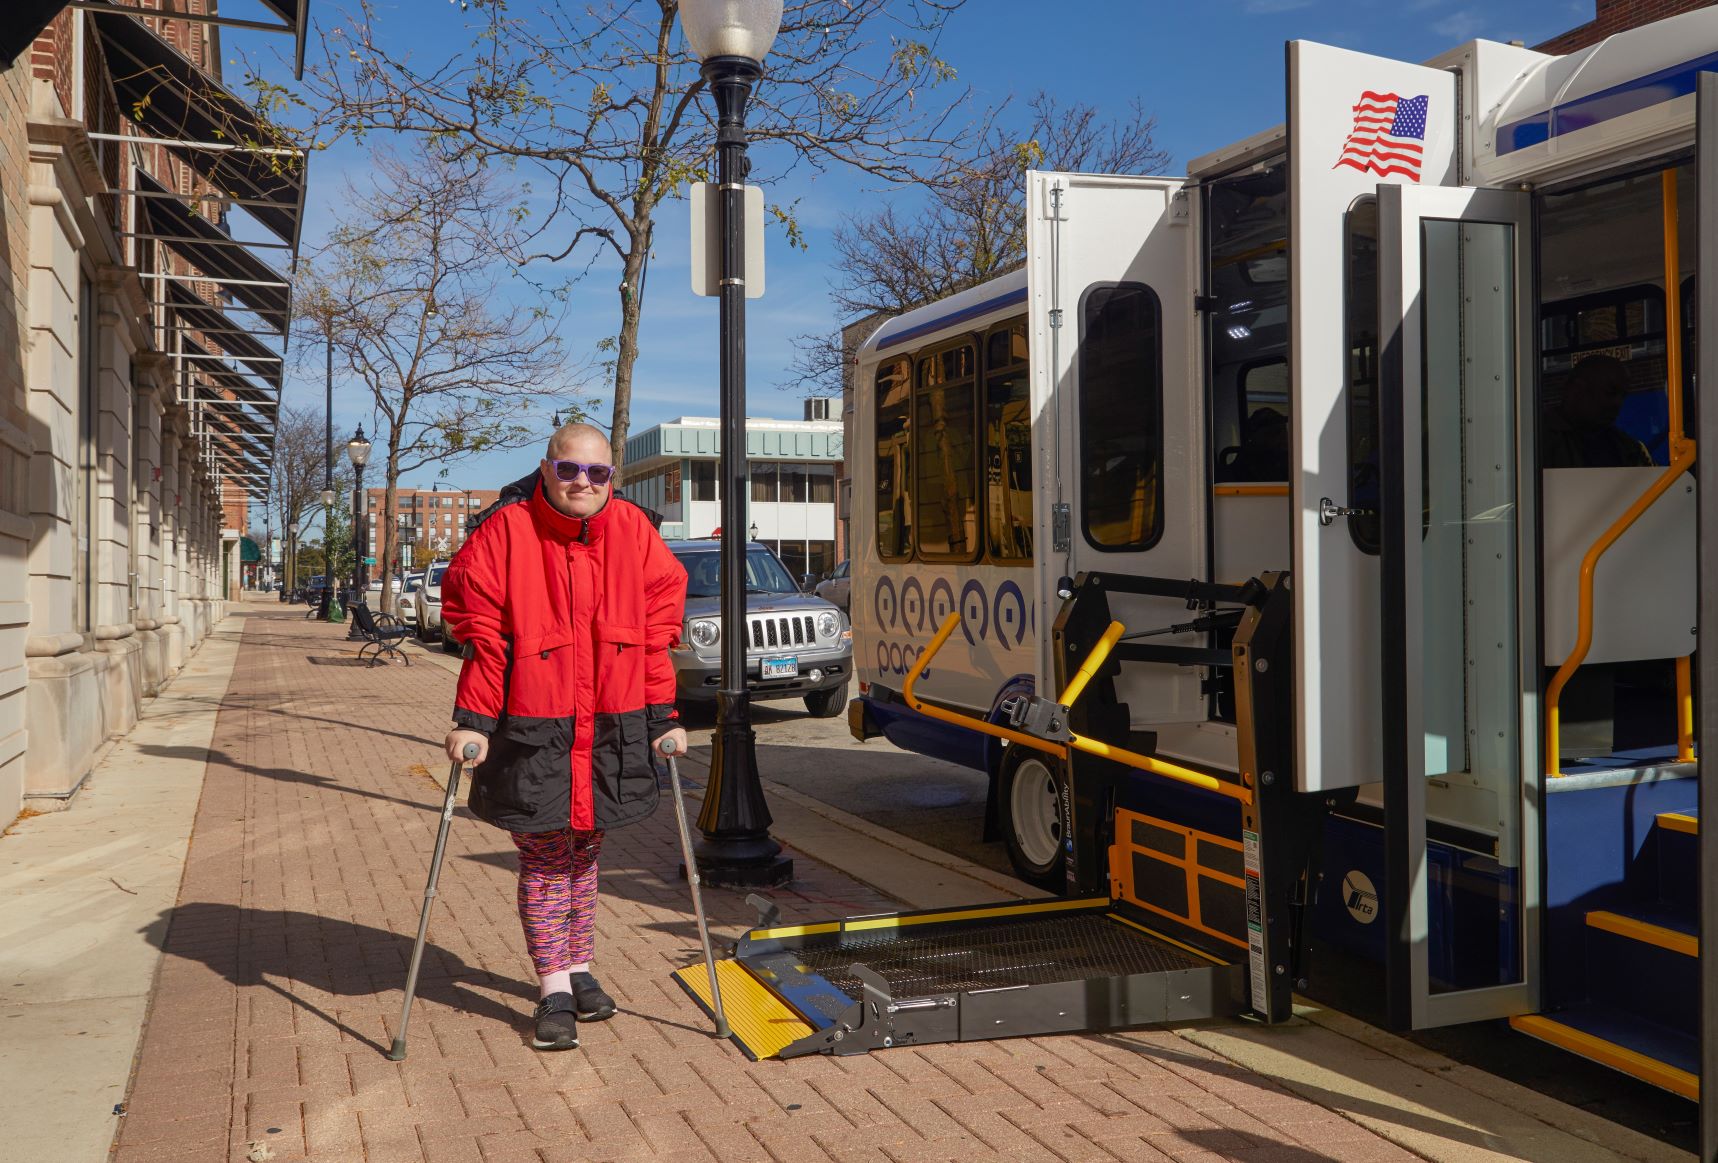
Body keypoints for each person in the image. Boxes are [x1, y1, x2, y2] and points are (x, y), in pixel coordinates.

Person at [441, 422, 688, 1052]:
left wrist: (665, 718)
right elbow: (485, 641)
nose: (583, 482)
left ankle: (579, 967)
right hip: (535, 725)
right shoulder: (506, 529)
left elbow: (656, 635)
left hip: (610, 724)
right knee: (547, 862)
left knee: (585, 859)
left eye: (597, 472)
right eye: (570, 469)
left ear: (612, 478)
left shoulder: (635, 533)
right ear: (547, 468)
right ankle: (552, 984)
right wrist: (472, 722)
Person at [1543, 354, 1652, 468]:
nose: (1618, 403)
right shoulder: (1538, 439)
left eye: (1623, 396)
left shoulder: (1628, 447)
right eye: (1610, 392)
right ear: (1577, 390)